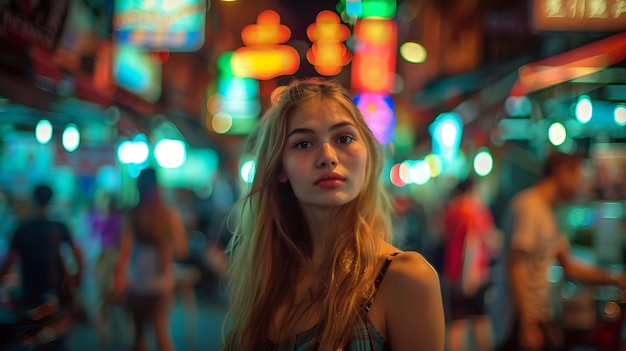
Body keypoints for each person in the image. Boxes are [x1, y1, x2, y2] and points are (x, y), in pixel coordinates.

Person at [222, 78, 445, 351]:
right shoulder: (265, 277)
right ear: (280, 168)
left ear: (368, 156)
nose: (327, 156)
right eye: (303, 144)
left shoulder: (405, 278)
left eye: (344, 138)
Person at [503, 151, 626, 351]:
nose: (579, 186)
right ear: (561, 172)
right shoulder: (528, 206)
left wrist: (614, 278)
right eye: (577, 178)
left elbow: (569, 265)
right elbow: (515, 267)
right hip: (518, 319)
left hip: (538, 315)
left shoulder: (547, 213)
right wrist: (528, 325)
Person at [112, 168, 188, 351]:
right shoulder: (169, 214)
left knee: (138, 337)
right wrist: (165, 246)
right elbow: (182, 250)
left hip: (137, 282)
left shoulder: (133, 214)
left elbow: (124, 252)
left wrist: (119, 280)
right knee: (161, 333)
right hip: (162, 282)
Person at [442, 177, 501, 351]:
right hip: (473, 276)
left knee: (456, 324)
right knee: (480, 321)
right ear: (474, 189)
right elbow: (483, 242)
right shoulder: (476, 210)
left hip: (452, 275)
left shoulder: (452, 210)